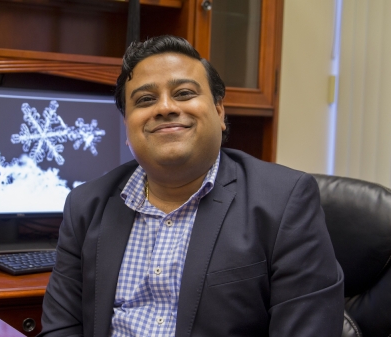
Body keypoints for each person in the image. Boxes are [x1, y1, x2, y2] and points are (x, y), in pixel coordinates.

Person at [38, 35, 344, 336]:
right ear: (127, 127)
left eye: (184, 93)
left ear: (220, 112)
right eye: (145, 100)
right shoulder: (85, 205)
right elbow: (61, 328)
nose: (165, 107)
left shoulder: (284, 201)